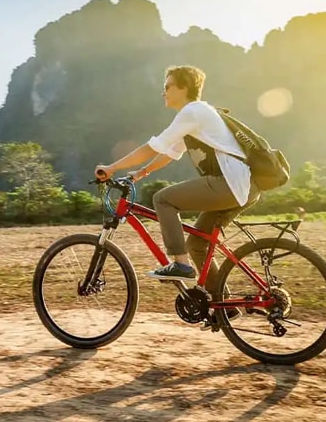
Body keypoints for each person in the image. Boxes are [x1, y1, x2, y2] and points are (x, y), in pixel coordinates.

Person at [95, 65, 260, 310]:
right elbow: (170, 153)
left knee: (163, 199)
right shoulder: (198, 116)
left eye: (168, 86)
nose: (164, 92)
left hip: (229, 183)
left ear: (184, 88)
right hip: (241, 186)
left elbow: (152, 147)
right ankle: (222, 306)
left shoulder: (192, 111)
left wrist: (112, 167)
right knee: (196, 244)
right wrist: (141, 173)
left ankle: (180, 265)